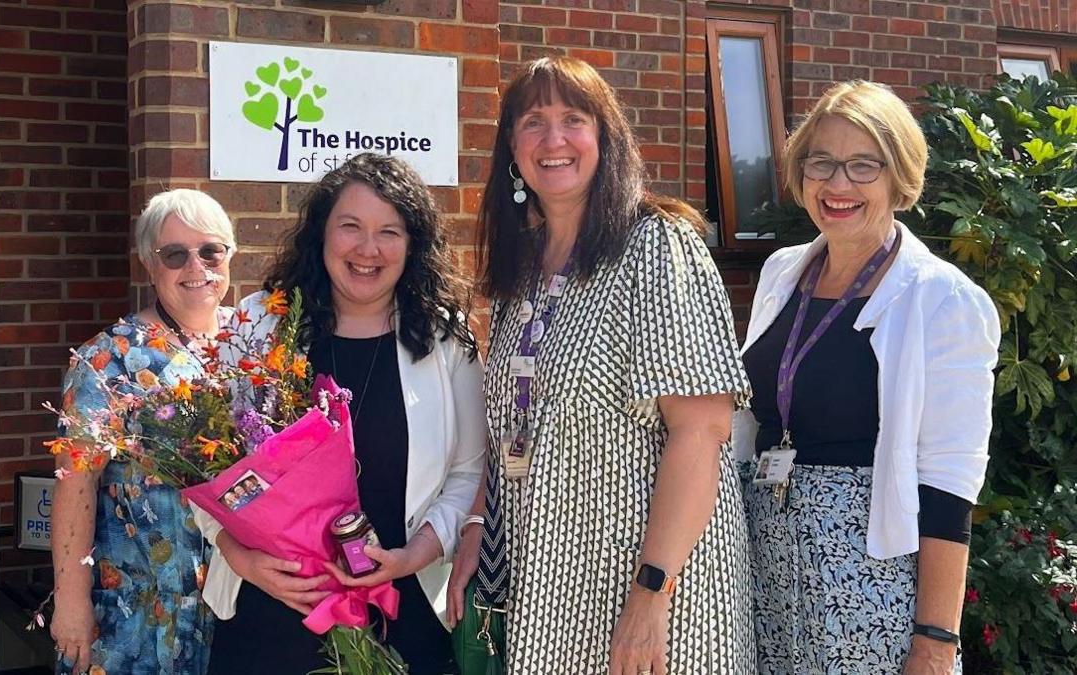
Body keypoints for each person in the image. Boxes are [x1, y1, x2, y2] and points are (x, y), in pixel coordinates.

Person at [448, 56, 755, 674]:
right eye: (534, 122)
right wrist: (481, 527)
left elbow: (702, 431)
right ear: (512, 146)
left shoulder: (657, 246)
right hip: (550, 590)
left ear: (604, 137)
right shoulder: (524, 266)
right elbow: (515, 425)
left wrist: (651, 594)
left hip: (656, 593)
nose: (553, 139)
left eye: (573, 120)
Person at [734, 80, 1000, 674]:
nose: (837, 185)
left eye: (862, 166)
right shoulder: (783, 274)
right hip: (764, 564)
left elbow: (949, 482)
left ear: (899, 177)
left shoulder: (944, 299)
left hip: (872, 583)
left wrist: (934, 641)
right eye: (821, 162)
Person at [197, 153, 485, 674]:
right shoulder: (259, 324)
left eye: (389, 231)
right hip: (274, 608)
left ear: (412, 243)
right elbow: (204, 464)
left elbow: (469, 472)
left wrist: (414, 555)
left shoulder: (445, 338)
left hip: (401, 611)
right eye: (349, 226)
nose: (367, 249)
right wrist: (239, 557)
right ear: (321, 233)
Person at [51, 189, 238, 674]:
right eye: (174, 254)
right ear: (148, 265)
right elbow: (77, 483)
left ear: (230, 256)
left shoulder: (252, 347)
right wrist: (71, 604)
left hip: (238, 602)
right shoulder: (106, 360)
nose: (196, 267)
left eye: (210, 251)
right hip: (139, 611)